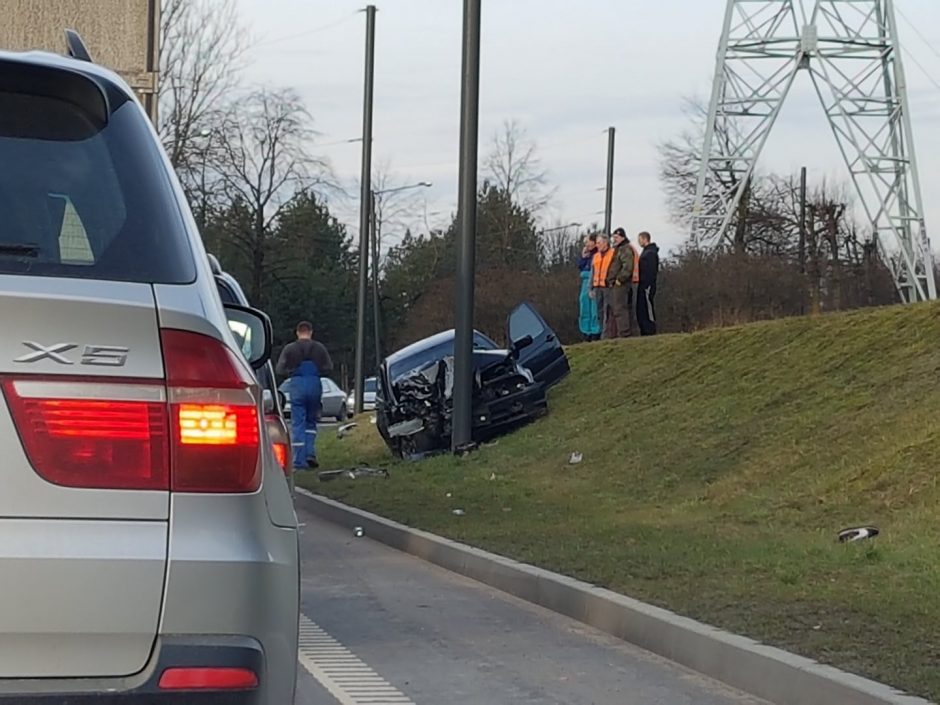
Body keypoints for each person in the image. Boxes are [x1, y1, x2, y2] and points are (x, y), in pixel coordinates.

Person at [276, 321, 334, 470]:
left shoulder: (290, 349)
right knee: (311, 422)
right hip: (314, 384)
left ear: (297, 332)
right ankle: (310, 454)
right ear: (311, 332)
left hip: (298, 385)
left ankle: (299, 461)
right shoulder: (319, 348)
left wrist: (291, 370)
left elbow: (279, 370)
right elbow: (329, 367)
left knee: (298, 423)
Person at [606, 228, 637, 337]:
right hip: (615, 283)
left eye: (616, 237)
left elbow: (627, 266)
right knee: (617, 309)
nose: (614, 240)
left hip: (621, 284)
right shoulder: (618, 249)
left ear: (622, 237)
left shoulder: (625, 249)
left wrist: (620, 279)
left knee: (620, 308)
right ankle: (619, 332)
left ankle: (624, 333)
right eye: (613, 237)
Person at [589, 233, 615, 339]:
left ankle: (606, 335)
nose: (597, 245)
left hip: (608, 287)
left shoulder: (613, 254)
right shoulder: (596, 256)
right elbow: (592, 273)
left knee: (607, 311)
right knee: (599, 312)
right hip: (597, 287)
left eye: (599, 243)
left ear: (605, 243)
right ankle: (602, 332)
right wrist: (590, 288)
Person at [577, 234, 602, 341]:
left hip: (594, 283)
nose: (586, 244)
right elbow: (580, 266)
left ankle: (595, 331)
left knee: (594, 308)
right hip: (585, 282)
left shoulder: (598, 255)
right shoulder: (589, 255)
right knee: (584, 306)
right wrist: (583, 257)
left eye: (588, 242)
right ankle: (585, 331)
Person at [636, 231, 660, 336]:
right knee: (641, 308)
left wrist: (647, 284)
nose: (638, 241)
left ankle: (650, 329)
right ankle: (644, 330)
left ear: (645, 239)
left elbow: (651, 271)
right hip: (642, 284)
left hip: (647, 285)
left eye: (639, 239)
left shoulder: (650, 253)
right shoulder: (646, 252)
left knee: (647, 306)